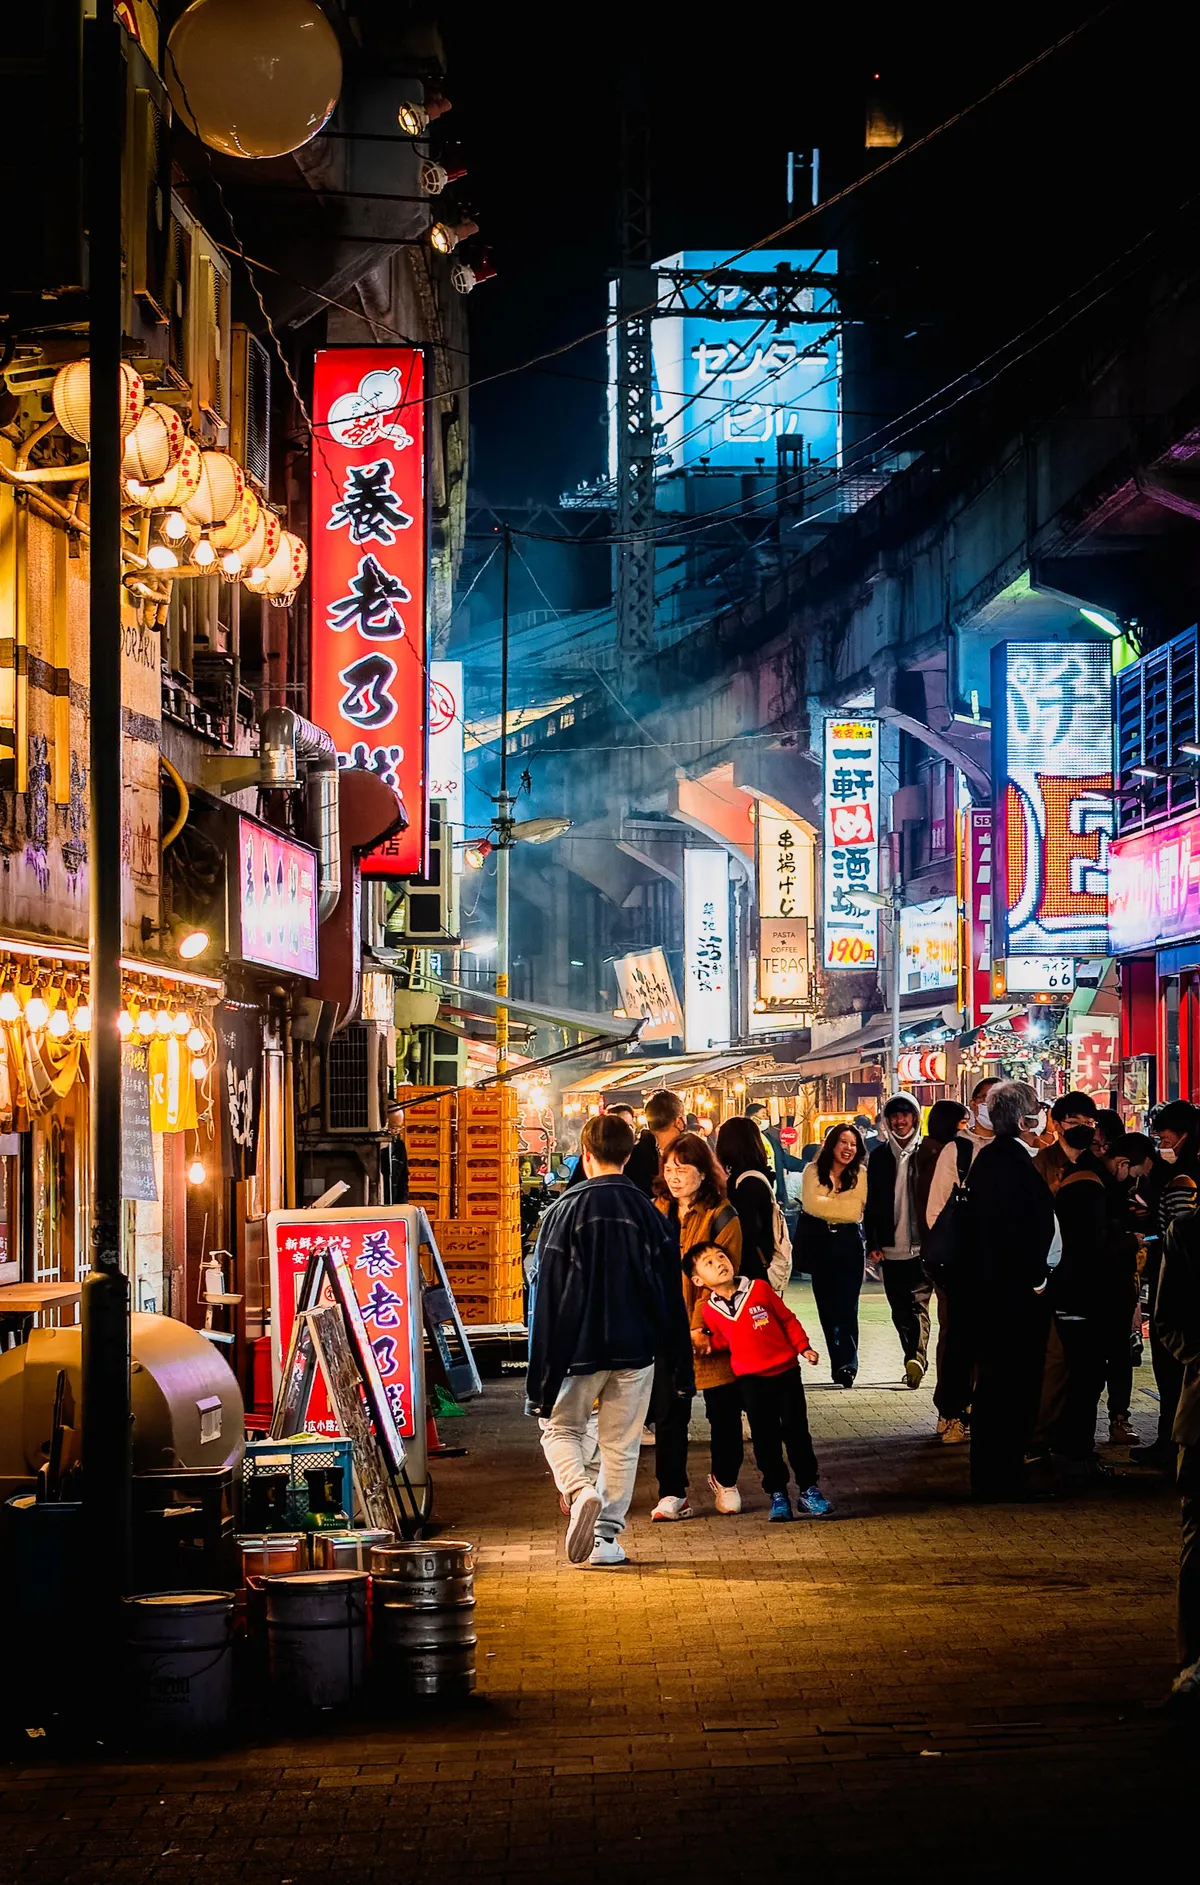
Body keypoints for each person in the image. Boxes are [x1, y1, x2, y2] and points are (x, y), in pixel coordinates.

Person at [527, 1112, 692, 1568]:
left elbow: (549, 1297)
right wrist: (680, 1364)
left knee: (559, 1428)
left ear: (585, 1154)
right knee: (621, 1443)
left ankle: (579, 1490)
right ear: (629, 1155)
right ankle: (605, 1541)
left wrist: (540, 1373)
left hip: (575, 1350)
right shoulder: (650, 1214)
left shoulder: (564, 1211)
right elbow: (669, 1296)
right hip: (637, 1349)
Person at [960, 1080, 1056, 1501]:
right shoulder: (1015, 1164)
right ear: (1022, 1120)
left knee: (995, 1385)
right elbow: (1028, 1228)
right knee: (1014, 1387)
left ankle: (989, 1473)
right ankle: (1005, 1476)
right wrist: (1038, 1279)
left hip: (989, 1289)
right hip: (1015, 1293)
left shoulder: (989, 1160)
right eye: (1035, 1112)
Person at [690, 1242, 832, 1521]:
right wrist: (705, 1345)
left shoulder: (759, 1289)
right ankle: (777, 1494)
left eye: (721, 1256)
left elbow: (787, 1319)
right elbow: (724, 1340)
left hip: (786, 1374)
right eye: (708, 1263)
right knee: (765, 1438)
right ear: (698, 1280)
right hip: (750, 1382)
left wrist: (803, 1347)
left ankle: (809, 1490)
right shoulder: (710, 1310)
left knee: (796, 1432)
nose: (719, 1263)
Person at [651, 1132, 746, 1519]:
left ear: (703, 1172)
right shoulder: (656, 1210)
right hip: (667, 1329)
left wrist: (698, 1325)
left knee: (723, 1410)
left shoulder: (723, 1215)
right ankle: (673, 1492)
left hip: (713, 1330)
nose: (675, 1177)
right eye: (669, 1168)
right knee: (670, 1413)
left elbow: (725, 1277)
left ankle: (725, 1480)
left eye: (683, 1168)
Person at [1046, 1117, 1114, 1480]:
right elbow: (1093, 1245)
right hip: (1085, 1295)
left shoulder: (1070, 1183)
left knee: (1075, 1373)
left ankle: (1067, 1446)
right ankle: (1076, 1451)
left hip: (1067, 1290)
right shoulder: (1090, 1187)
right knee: (1086, 1376)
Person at [1155, 1197, 1200, 1705]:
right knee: (1199, 1541)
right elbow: (1168, 1322)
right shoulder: (1188, 1232)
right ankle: (1193, 1661)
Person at [915, 1098, 973, 1443]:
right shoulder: (946, 1154)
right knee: (956, 1336)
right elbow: (933, 1212)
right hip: (954, 1261)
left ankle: (954, 1411)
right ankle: (951, 1411)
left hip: (953, 1259)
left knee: (957, 1336)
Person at [865, 1095, 930, 1389]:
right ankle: (911, 1356)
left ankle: (916, 1357)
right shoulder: (878, 1156)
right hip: (890, 1248)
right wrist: (873, 1242)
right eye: (894, 1117)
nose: (900, 1121)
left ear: (915, 1118)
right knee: (899, 1308)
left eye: (905, 1115)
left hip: (922, 1246)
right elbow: (872, 1204)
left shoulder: (928, 1152)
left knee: (918, 1304)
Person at [800, 1123, 868, 1387]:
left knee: (848, 1307)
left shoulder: (860, 1174)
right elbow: (811, 1204)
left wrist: (831, 1205)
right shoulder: (812, 1171)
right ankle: (837, 1360)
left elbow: (855, 1212)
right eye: (843, 1142)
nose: (848, 1149)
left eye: (853, 1144)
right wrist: (840, 1205)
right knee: (827, 1308)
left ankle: (848, 1364)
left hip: (850, 1244)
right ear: (832, 1144)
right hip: (821, 1244)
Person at [715, 1115, 783, 1289]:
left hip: (749, 1269)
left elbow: (747, 1231)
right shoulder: (753, 1177)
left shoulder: (746, 1182)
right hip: (756, 1265)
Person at [1034, 1091, 1099, 1193]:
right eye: (1073, 1122)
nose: (1082, 1127)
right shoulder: (1040, 1164)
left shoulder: (1098, 1162)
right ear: (1057, 1125)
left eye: (1089, 1122)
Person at [962, 1079, 1000, 1159]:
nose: (991, 1104)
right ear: (972, 1104)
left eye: (997, 1100)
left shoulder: (1014, 1147)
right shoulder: (958, 1145)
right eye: (985, 1098)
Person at [384, 1100, 409, 1205]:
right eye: (393, 1127)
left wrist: (402, 1205)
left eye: (399, 1128)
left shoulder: (399, 1146)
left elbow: (403, 1180)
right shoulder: (373, 1148)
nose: (396, 1132)